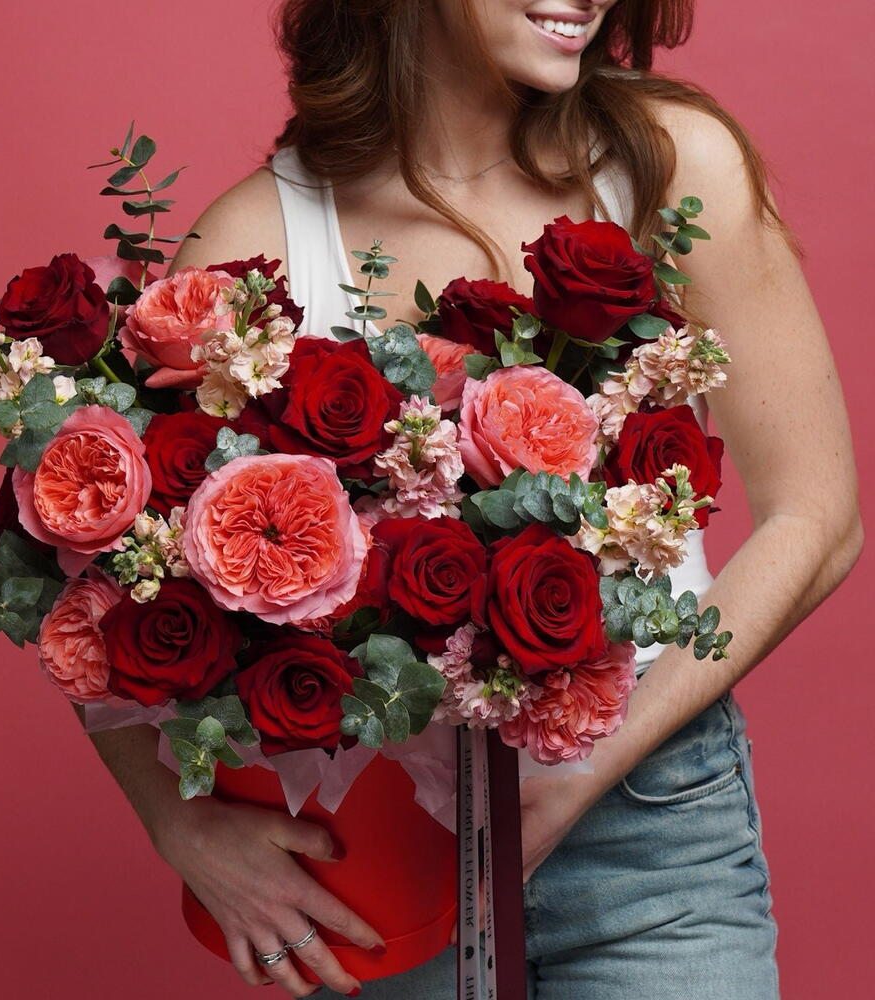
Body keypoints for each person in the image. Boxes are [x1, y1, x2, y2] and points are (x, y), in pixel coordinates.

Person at [80, 1, 863, 997]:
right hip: (378, 853)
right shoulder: (256, 237)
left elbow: (817, 516)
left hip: (649, 827)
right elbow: (93, 571)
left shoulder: (666, 165)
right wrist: (178, 824)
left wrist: (592, 766)